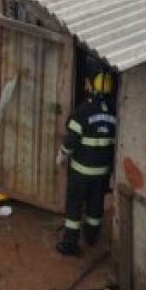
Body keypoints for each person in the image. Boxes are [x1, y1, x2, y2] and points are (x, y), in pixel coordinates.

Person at [56, 71, 117, 256]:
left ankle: (70, 244)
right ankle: (92, 237)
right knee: (95, 205)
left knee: (74, 206)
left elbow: (71, 140)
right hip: (102, 173)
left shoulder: (82, 111)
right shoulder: (115, 110)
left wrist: (61, 155)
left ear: (91, 85)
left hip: (81, 172)